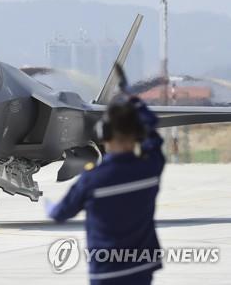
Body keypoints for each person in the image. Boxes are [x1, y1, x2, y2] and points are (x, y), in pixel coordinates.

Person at [47, 95, 165, 285]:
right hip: (142, 269)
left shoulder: (92, 180)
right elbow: (156, 143)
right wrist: (142, 111)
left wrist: (49, 207)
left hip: (107, 273)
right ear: (139, 133)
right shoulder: (151, 169)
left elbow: (61, 213)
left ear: (105, 134)